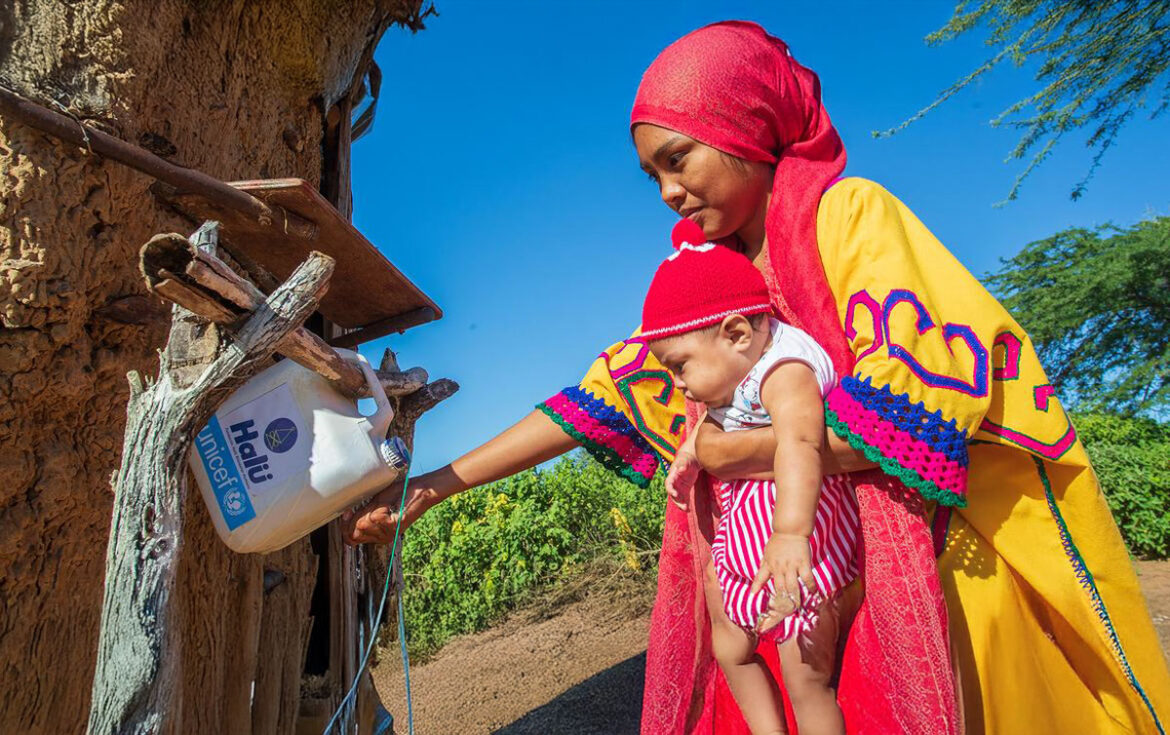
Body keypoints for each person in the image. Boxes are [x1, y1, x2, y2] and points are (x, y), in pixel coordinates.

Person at [344, 21, 1170, 735]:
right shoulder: (709, 281)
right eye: (652, 175)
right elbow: (602, 394)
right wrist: (435, 487)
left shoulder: (853, 220)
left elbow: (909, 424)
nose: (668, 192)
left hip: (934, 578)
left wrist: (728, 453)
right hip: (788, 588)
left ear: (744, 123)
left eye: (679, 158)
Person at [641, 217, 859, 735]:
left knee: (806, 676)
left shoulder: (786, 371)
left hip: (800, 536)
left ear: (737, 333)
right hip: (747, 533)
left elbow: (801, 444)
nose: (678, 383)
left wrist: (790, 535)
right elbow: (715, 421)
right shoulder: (737, 368)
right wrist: (690, 452)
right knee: (728, 646)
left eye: (680, 366)